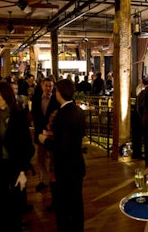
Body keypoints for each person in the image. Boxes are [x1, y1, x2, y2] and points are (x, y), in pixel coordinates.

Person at [0, 82, 35, 231]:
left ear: (7, 95)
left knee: (16, 206)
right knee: (0, 206)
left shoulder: (19, 116)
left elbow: (28, 147)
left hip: (16, 167)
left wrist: (23, 170)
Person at [38, 79, 86, 232]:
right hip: (77, 163)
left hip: (65, 167)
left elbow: (61, 147)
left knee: (63, 206)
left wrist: (45, 140)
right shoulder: (78, 110)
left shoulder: (62, 114)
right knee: (77, 202)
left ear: (60, 93)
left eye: (56, 90)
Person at [31, 77, 60, 196]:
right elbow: (34, 114)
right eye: (46, 86)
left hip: (51, 134)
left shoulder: (56, 100)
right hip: (39, 132)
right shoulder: (36, 98)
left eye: (50, 86)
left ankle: (54, 180)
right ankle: (44, 180)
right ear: (42, 86)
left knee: (53, 159)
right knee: (40, 158)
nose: (48, 88)